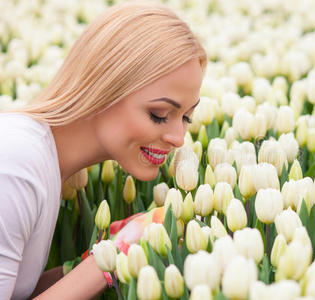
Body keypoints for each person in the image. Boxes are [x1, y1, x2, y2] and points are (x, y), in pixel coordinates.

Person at [0, 0, 207, 298]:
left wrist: (107, 253)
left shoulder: (47, 165)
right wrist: (112, 257)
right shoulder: (16, 163)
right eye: (159, 114)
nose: (178, 138)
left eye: (186, 117)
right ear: (105, 88)